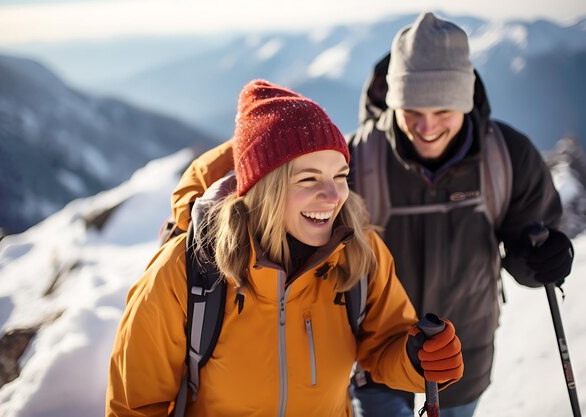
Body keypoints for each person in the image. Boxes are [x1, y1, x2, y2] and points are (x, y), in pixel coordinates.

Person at [164, 13, 574, 417]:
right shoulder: (356, 159)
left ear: (465, 101)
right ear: (393, 100)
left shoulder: (508, 156)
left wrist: (544, 258)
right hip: (372, 358)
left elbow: (531, 242)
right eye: (411, 109)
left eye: (443, 110)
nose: (427, 126)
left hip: (462, 353)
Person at [106, 80, 464, 417]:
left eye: (340, 176)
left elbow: (385, 343)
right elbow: (136, 406)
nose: (333, 196)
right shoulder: (186, 271)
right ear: (264, 189)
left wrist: (418, 361)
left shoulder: (359, 251)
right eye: (309, 178)